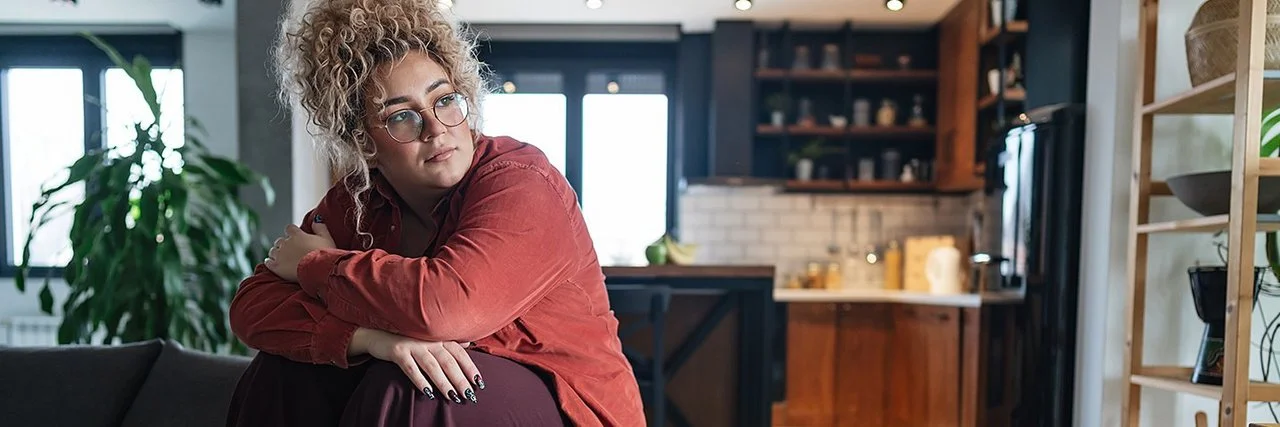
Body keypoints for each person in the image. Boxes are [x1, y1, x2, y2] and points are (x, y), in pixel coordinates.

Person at [223, 0, 645, 426]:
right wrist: (371, 339)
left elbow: (448, 306)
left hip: (568, 404)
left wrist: (317, 264)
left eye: (444, 100)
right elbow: (252, 306)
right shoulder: (358, 202)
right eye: (402, 117)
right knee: (284, 373)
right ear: (364, 142)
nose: (436, 128)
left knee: (415, 388)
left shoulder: (522, 180)